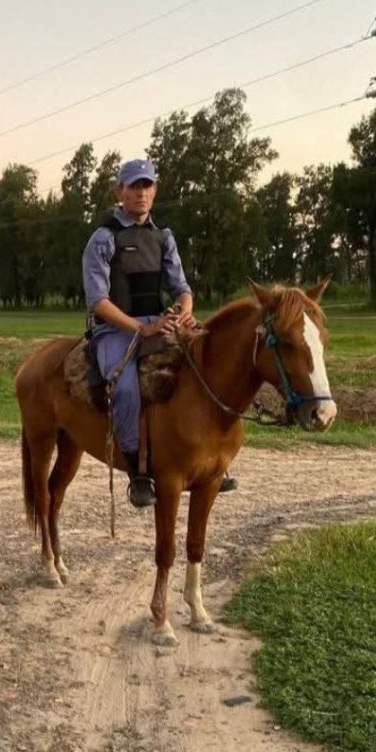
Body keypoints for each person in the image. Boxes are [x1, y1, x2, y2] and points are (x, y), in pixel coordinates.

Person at [82, 158, 235, 507]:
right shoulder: (104, 238)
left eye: (146, 185)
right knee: (125, 388)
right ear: (119, 191)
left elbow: (182, 287)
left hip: (159, 320)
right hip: (115, 328)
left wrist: (185, 311)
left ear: (155, 190)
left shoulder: (163, 237)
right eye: (133, 186)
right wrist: (141, 327)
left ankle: (211, 457)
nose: (141, 193)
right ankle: (138, 473)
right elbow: (98, 302)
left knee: (207, 363)